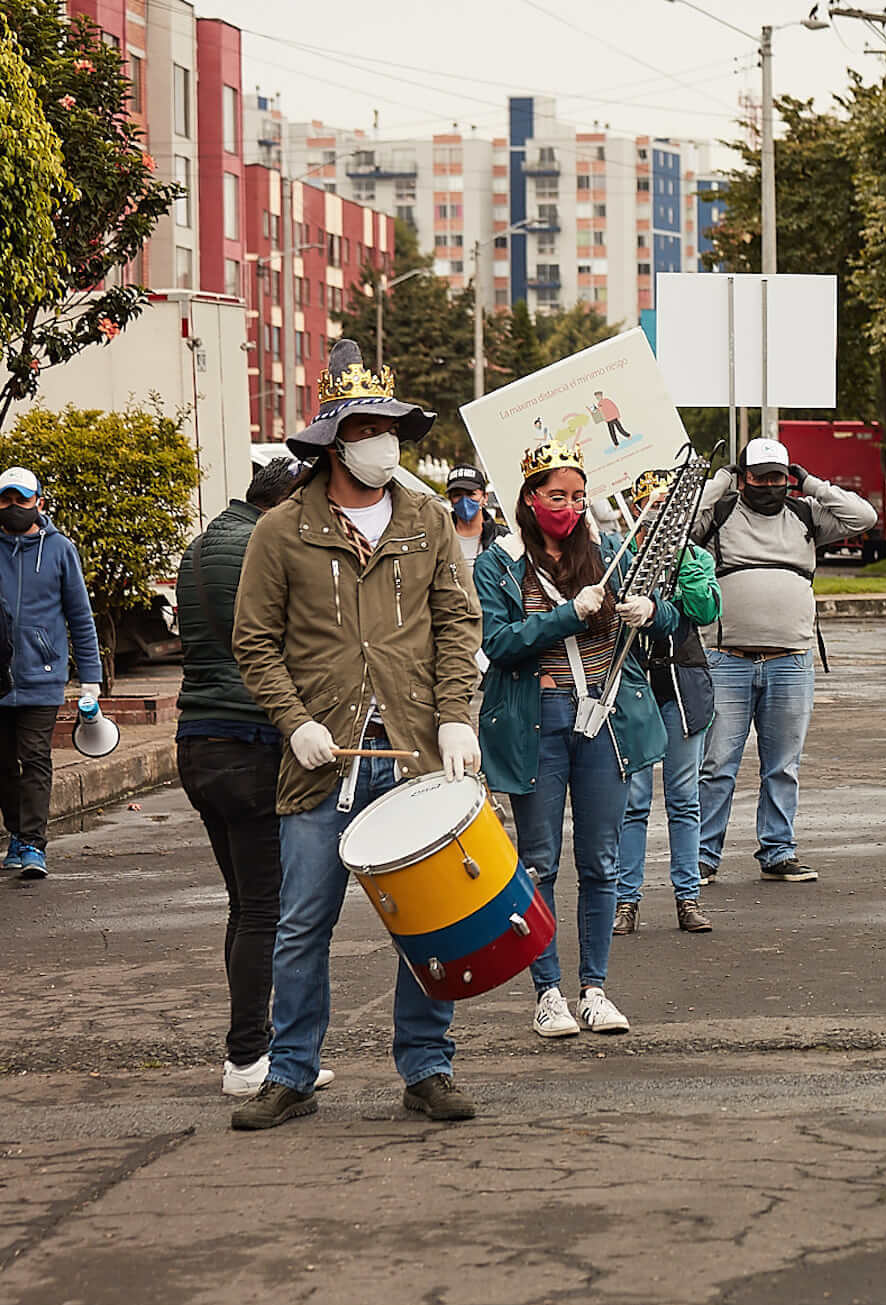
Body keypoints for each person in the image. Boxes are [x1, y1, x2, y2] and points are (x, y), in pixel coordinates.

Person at [230, 340, 484, 1131]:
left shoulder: (427, 519)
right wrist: (293, 720)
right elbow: (253, 642)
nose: (385, 441)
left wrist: (456, 716)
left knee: (431, 918)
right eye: (369, 426)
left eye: (391, 425)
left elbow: (457, 622)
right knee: (304, 920)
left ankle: (427, 1066)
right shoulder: (281, 530)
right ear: (335, 438)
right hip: (321, 762)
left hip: (412, 752)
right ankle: (294, 1071)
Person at [474, 438, 674, 1037]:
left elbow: (669, 619)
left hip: (604, 720)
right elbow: (499, 643)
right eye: (557, 496)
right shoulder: (500, 560)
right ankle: (549, 992)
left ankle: (594, 988)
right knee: (538, 863)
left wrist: (648, 610)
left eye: (578, 496)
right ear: (530, 499)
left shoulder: (612, 549)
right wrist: (569, 614)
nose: (569, 506)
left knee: (602, 861)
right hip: (537, 722)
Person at [177, 456, 335, 1097]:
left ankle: (249, 1055)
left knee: (246, 907)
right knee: (266, 909)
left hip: (198, 744)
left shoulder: (202, 543)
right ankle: (249, 1061)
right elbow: (284, 643)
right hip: (249, 745)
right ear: (288, 501)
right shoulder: (262, 546)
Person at [694, 436, 877, 884]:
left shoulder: (805, 514)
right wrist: (720, 481)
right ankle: (701, 856)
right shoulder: (719, 513)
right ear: (745, 477)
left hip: (791, 662)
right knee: (717, 765)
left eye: (779, 476)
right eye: (761, 476)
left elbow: (864, 516)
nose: (771, 485)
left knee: (783, 765)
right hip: (727, 659)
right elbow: (676, 523)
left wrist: (811, 483)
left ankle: (778, 850)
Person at [614, 467, 723, 936]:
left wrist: (682, 570)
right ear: (636, 510)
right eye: (650, 505)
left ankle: (688, 896)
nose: (658, 514)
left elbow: (706, 610)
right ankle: (625, 900)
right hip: (635, 686)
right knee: (633, 800)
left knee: (684, 797)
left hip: (683, 683)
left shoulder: (695, 555)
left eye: (668, 506)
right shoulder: (619, 556)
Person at [0, 466, 102, 880]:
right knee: (4, 764)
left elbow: (81, 616)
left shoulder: (60, 549)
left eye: (20, 500)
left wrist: (90, 679)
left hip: (43, 675)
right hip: (0, 678)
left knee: (36, 758)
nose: (12, 507)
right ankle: (16, 836)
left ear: (38, 503)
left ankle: (33, 844)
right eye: (5, 499)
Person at [443, 464, 505, 570]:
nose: (464, 501)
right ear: (450, 500)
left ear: (485, 498)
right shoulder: (439, 538)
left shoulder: (502, 537)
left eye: (471, 494)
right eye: (457, 495)